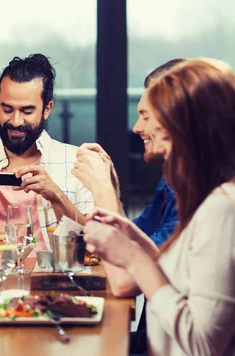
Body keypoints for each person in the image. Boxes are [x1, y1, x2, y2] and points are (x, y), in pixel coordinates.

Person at [83, 59, 235, 355]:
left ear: (184, 126)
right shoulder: (202, 194)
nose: (141, 128)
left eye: (151, 118)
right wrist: (134, 237)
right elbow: (183, 277)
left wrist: (133, 257)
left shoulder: (222, 208)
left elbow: (202, 345)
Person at [0, 53, 94, 251]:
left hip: (55, 279)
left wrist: (56, 196)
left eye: (27, 111)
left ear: (47, 109)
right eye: (7, 109)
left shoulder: (78, 164)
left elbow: (95, 245)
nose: (16, 121)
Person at [72, 59, 184, 299]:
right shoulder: (171, 180)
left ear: (174, 119)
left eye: (145, 116)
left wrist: (102, 191)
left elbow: (125, 282)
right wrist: (112, 187)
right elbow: (133, 242)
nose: (136, 127)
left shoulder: (199, 195)